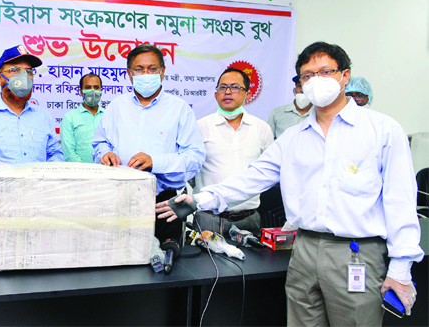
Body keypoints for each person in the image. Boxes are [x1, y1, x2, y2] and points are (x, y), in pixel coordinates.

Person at [156, 42, 423, 325]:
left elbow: (401, 201)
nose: (316, 81)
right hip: (304, 249)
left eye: (325, 72)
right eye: (307, 76)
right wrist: (198, 200)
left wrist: (402, 268)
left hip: (356, 252)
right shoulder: (294, 137)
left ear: (345, 76)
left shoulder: (382, 130)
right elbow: (251, 178)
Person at [93, 44, 206, 245]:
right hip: (118, 201)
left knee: (166, 267)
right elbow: (100, 143)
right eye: (139, 69)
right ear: (129, 74)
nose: (146, 74)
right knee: (118, 262)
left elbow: (195, 158)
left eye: (152, 69)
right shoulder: (116, 107)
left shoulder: (179, 110)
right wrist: (105, 153)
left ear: (162, 72)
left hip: (163, 204)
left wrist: (156, 162)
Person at [0, 45, 63, 247]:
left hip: (41, 208)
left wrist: (52, 172)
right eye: (15, 70)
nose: (23, 77)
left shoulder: (43, 117)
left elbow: (55, 154)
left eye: (29, 72)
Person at [193, 67, 273, 237]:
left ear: (248, 94)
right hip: (209, 219)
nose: (228, 92)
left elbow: (269, 172)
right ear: (216, 95)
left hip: (249, 219)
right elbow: (190, 173)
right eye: (222, 87)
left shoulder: (262, 129)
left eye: (235, 87)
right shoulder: (200, 127)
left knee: (252, 264)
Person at [60, 73, 105, 162]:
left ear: (101, 90)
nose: (92, 91)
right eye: (88, 88)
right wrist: (85, 171)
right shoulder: (70, 117)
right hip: (80, 173)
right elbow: (69, 152)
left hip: (107, 171)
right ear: (81, 92)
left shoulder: (108, 115)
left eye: (96, 87)